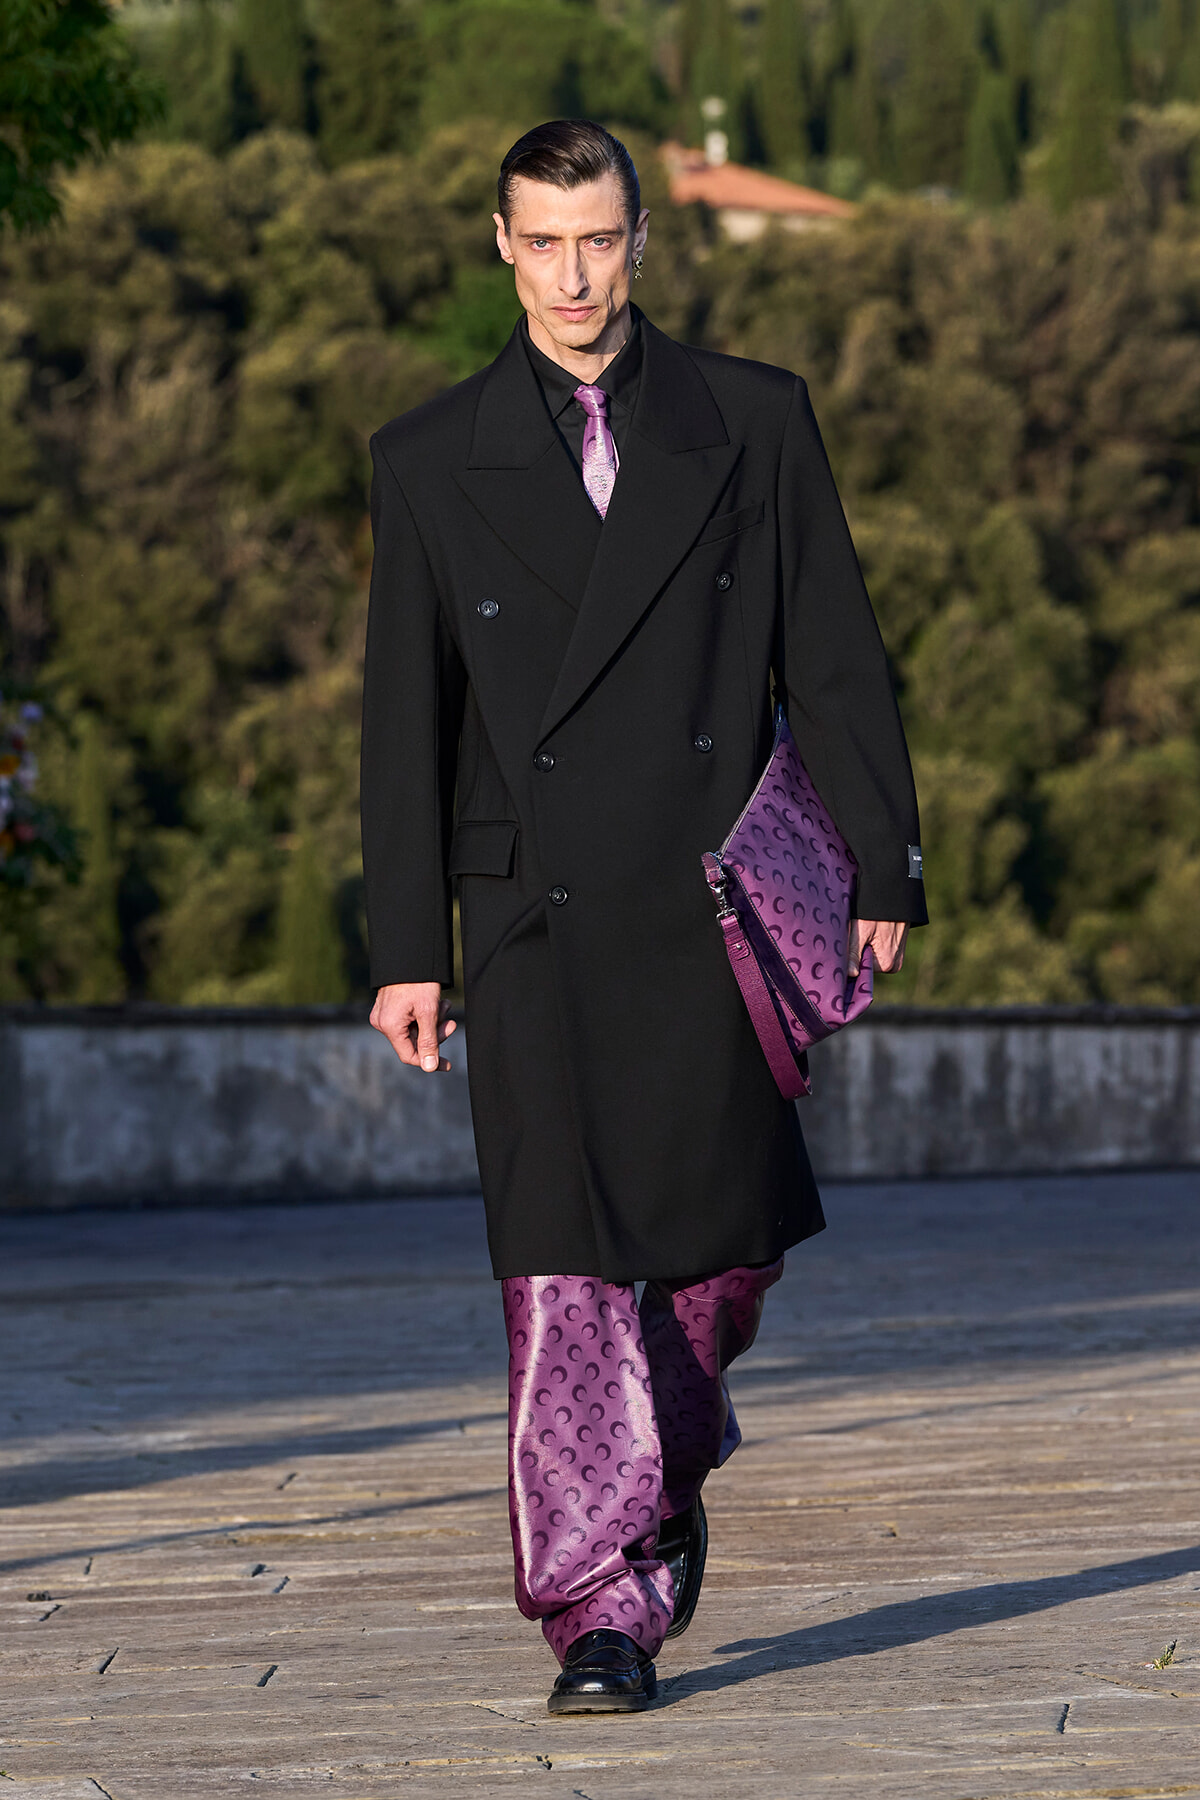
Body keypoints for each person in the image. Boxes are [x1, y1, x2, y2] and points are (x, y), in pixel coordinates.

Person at [361, 119, 926, 1714]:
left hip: (713, 908)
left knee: (713, 1266)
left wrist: (887, 861)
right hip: (529, 915)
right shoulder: (427, 456)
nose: (570, 275)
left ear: (640, 241)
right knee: (561, 1277)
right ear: (497, 245)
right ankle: (598, 1608)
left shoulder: (750, 422)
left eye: (596, 239)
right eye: (539, 243)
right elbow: (402, 717)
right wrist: (409, 941)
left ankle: (653, 1493)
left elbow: (831, 652)